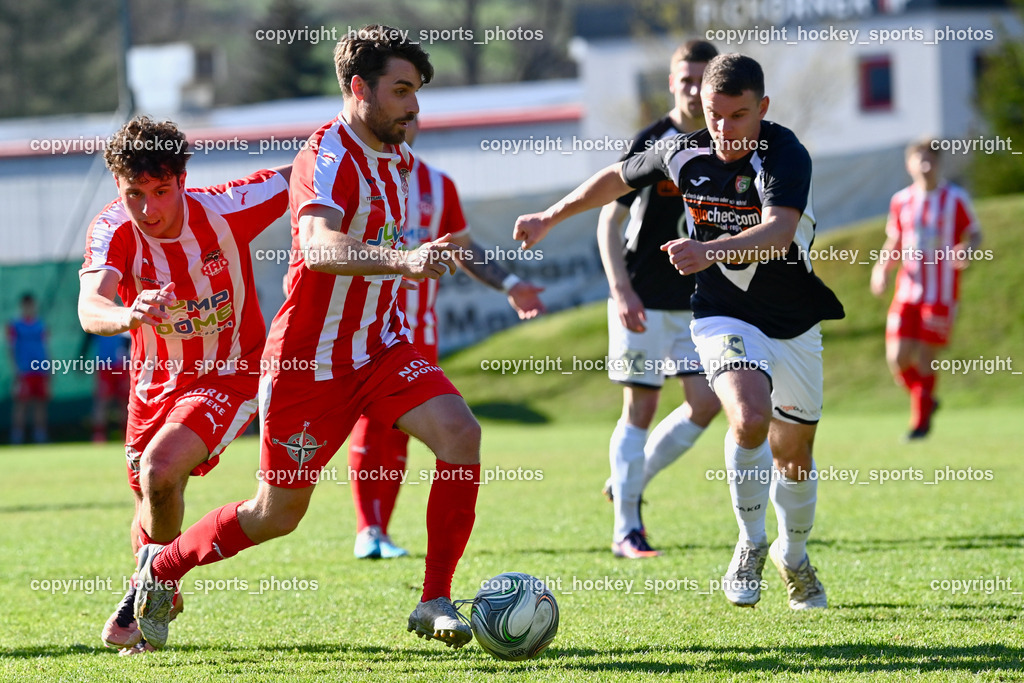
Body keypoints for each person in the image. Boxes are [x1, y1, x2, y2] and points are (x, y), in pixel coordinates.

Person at [122, 25, 481, 652]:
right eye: (401, 90)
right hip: (308, 365)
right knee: (277, 514)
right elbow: (316, 247)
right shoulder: (328, 154)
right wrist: (404, 261)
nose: (413, 105)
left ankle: (434, 598)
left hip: (381, 346)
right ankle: (163, 566)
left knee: (461, 433)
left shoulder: (396, 156)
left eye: (416, 91)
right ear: (359, 88)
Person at [514, 53, 844, 610]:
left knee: (795, 453)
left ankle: (794, 556)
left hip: (794, 321)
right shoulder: (680, 150)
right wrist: (551, 215)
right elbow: (616, 178)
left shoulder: (785, 153)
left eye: (738, 116)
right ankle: (750, 542)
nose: (724, 129)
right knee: (749, 418)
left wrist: (708, 249)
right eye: (715, 116)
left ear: (762, 108)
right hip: (722, 312)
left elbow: (780, 232)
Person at [79, 115, 291, 652]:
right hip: (153, 382)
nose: (148, 209)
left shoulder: (228, 208)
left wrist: (372, 135)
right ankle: (159, 586)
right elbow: (90, 306)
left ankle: (143, 597)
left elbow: (309, 170)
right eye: (134, 194)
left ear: (182, 180)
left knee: (160, 467)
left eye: (161, 191)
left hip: (230, 371)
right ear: (117, 186)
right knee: (149, 498)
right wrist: (128, 314)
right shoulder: (113, 229)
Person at [348, 117, 545, 560]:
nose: (406, 120)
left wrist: (511, 283)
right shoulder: (354, 176)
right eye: (397, 103)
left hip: (418, 334)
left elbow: (464, 248)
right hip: (363, 330)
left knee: (402, 430)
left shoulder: (439, 185)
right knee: (368, 422)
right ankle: (366, 528)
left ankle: (379, 532)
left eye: (412, 112)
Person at [596, 40, 721, 559]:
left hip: (697, 303)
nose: (693, 89)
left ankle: (629, 481)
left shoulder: (728, 144)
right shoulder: (653, 142)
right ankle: (627, 528)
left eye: (703, 80)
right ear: (672, 83)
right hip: (643, 298)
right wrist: (621, 289)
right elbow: (609, 219)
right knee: (641, 407)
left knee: (707, 402)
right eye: (685, 79)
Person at [870, 139, 981, 440]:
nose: (925, 165)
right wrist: (881, 270)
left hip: (940, 293)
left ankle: (920, 424)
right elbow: (895, 241)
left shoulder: (955, 198)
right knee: (897, 358)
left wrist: (967, 249)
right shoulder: (901, 200)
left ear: (939, 163)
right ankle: (927, 399)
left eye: (931, 159)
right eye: (919, 159)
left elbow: (974, 233)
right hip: (907, 290)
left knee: (925, 358)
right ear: (909, 165)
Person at [8, 293, 50, 444]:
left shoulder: (41, 325)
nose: (29, 308)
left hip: (40, 371)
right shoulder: (15, 326)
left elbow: (46, 347)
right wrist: (15, 369)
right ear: (22, 306)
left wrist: (49, 367)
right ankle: (17, 436)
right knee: (21, 405)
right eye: (26, 305)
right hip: (24, 371)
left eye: (31, 305)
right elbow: (11, 349)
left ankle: (40, 435)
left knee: (40, 404)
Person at [84, 332, 130, 442]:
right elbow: (87, 340)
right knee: (102, 401)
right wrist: (81, 359)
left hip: (123, 365)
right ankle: (99, 435)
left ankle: (127, 436)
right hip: (105, 365)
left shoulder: (126, 322)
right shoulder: (98, 322)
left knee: (125, 402)